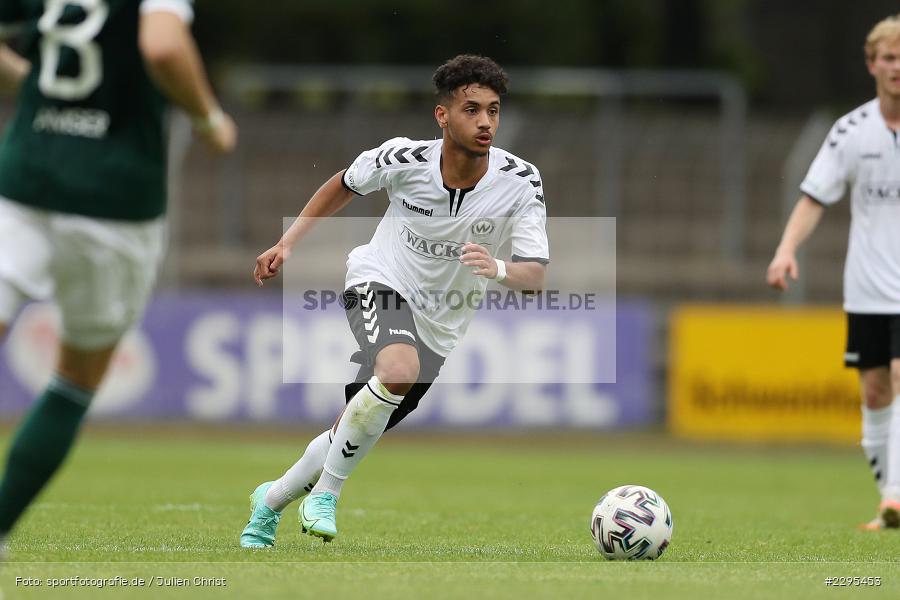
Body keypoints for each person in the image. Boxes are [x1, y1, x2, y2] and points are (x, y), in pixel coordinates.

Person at [240, 55, 549, 546]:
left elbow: (534, 275)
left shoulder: (520, 181)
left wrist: (499, 268)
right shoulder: (402, 159)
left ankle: (270, 502)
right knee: (398, 370)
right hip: (378, 278)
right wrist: (288, 242)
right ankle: (327, 495)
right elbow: (342, 183)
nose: (485, 121)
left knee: (352, 428)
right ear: (442, 115)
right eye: (471, 109)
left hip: (441, 325)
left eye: (493, 110)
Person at [0, 0, 236, 547]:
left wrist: (35, 78)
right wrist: (210, 120)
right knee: (75, 381)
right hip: (116, 200)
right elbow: (163, 44)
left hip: (24, 182)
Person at [766, 14, 900, 531]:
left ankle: (895, 495)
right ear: (872, 64)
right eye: (888, 58)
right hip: (867, 287)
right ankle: (890, 498)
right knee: (874, 392)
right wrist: (785, 250)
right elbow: (814, 198)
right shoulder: (851, 130)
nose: (896, 67)